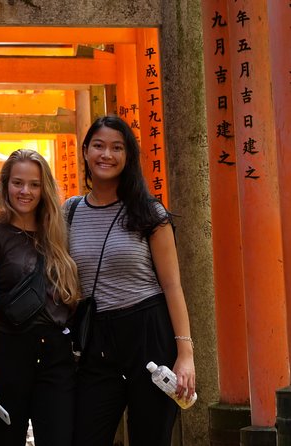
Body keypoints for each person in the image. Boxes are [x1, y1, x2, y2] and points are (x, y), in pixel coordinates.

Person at [66, 115, 196, 446]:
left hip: (148, 332)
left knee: (150, 436)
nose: (106, 155)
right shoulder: (70, 211)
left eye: (116, 148)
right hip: (97, 339)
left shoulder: (149, 212)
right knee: (86, 435)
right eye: (98, 146)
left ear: (128, 157)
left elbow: (172, 286)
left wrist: (185, 355)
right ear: (85, 151)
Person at [0, 149, 81, 445]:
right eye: (18, 183)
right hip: (10, 350)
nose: (25, 191)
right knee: (6, 440)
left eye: (34, 184)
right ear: (5, 185)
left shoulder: (57, 234)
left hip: (56, 354)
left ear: (44, 189)